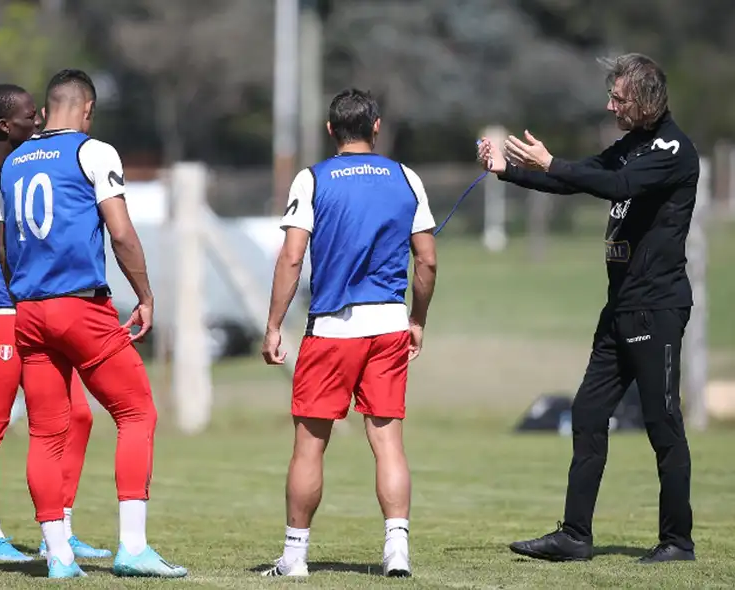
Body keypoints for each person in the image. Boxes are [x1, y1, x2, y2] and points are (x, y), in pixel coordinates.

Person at [477, 53, 699, 564]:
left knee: (662, 422)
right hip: (620, 307)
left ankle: (677, 541)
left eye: (618, 98)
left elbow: (618, 186)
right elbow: (579, 177)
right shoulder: (633, 144)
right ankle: (574, 536)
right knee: (589, 412)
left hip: (656, 307)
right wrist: (507, 171)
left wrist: (553, 162)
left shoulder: (671, 150)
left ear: (644, 100)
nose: (609, 105)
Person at [0, 68, 186, 579]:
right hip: (80, 306)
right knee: (136, 413)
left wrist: (25, 292)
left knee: (45, 432)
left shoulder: (12, 162)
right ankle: (133, 547)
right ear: (86, 109)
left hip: (30, 310)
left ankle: (58, 557)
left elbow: (6, 247)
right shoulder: (92, 151)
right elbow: (121, 233)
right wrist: (145, 296)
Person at [260, 88, 438, 578]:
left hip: (332, 330)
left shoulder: (313, 178)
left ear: (330, 130)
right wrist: (416, 320)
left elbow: (292, 256)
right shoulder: (406, 177)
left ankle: (295, 558)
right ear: (376, 126)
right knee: (388, 442)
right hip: (388, 328)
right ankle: (397, 551)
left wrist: (274, 326)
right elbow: (427, 259)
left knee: (310, 446)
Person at [0, 83, 109, 562]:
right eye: (27, 117)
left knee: (76, 417)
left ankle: (56, 528)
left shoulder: (26, 168)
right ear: (4, 126)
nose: (37, 122)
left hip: (35, 318)